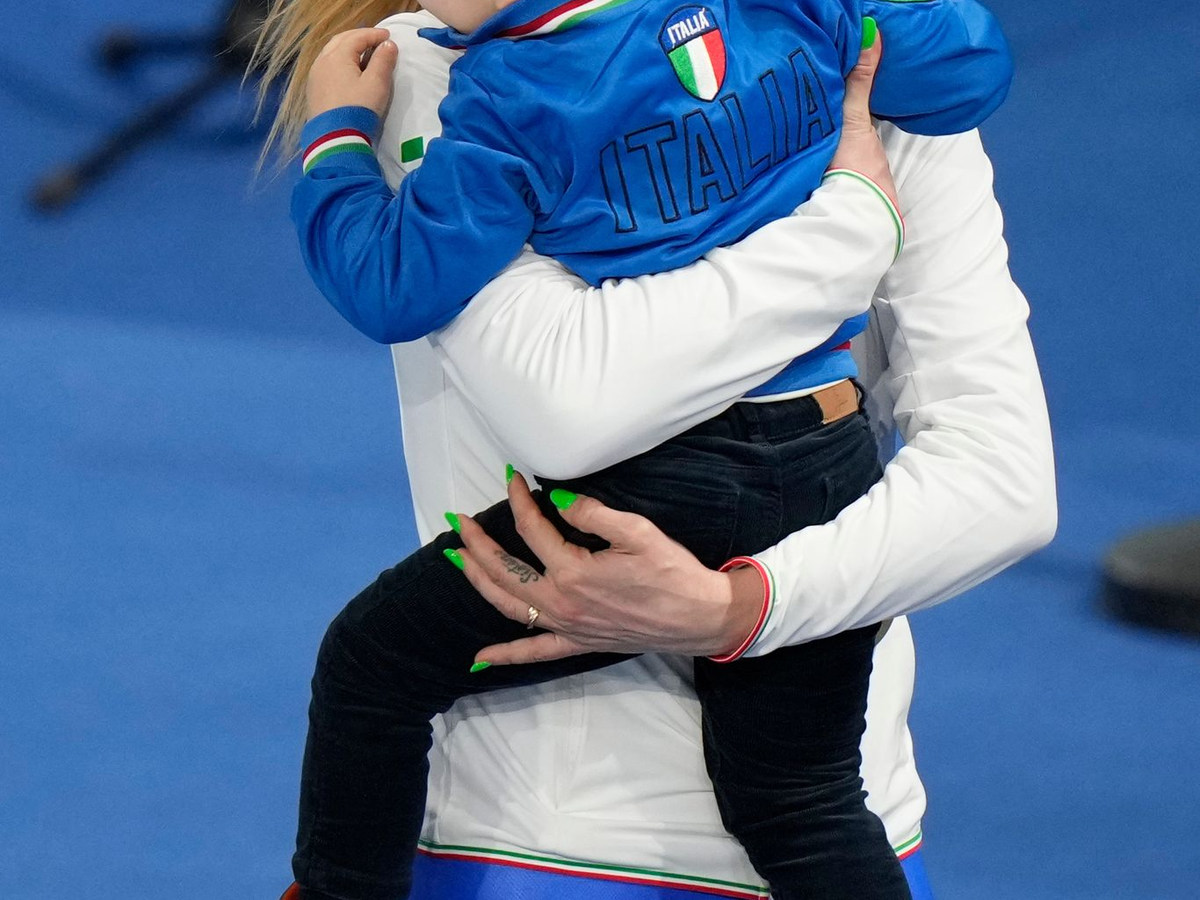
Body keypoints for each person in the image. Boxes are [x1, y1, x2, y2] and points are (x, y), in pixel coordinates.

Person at [262, 0, 1013, 898]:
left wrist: (336, 144)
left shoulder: (499, 92)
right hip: (830, 459)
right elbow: (967, 69)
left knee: (370, 666)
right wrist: (857, 215)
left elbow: (394, 287)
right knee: (803, 798)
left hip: (663, 494)